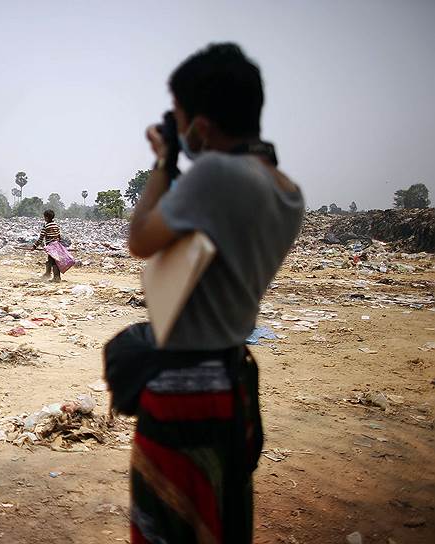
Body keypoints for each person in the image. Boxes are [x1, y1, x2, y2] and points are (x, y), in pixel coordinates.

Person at [114, 43, 304, 543]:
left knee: (170, 529)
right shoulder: (286, 189)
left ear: (200, 122)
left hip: (184, 394)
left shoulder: (219, 175)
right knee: (220, 523)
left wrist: (163, 162)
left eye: (179, 116)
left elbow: (141, 238)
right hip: (232, 385)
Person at [32, 209, 62, 282]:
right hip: (57, 245)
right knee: (52, 260)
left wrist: (34, 246)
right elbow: (59, 236)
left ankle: (56, 277)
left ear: (47, 218)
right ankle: (48, 274)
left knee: (53, 261)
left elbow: (41, 238)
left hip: (51, 246)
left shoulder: (46, 226)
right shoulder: (56, 225)